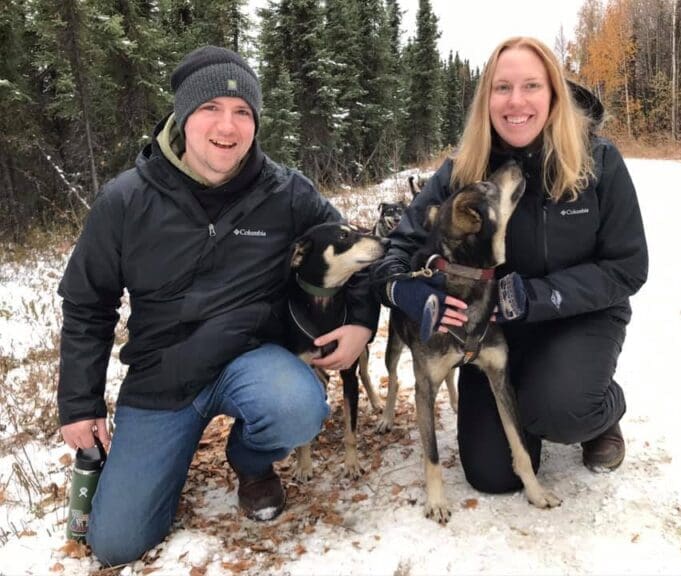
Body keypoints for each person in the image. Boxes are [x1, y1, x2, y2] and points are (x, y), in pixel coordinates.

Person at [56, 46, 377, 566]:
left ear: (255, 123)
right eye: (211, 108)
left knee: (298, 406)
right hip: (163, 378)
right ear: (183, 116)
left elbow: (353, 246)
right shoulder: (126, 200)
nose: (227, 126)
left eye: (242, 112)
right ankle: (161, 461)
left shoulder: (286, 192)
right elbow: (87, 303)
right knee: (116, 543)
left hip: (252, 360)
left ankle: (250, 460)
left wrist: (361, 320)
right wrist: (80, 403)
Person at [371, 37, 648, 494]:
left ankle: (599, 411)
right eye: (502, 88)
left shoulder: (598, 162)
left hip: (578, 317)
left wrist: (535, 296)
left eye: (531, 86)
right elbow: (398, 247)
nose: (516, 101)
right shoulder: (465, 172)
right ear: (487, 100)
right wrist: (404, 290)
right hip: (492, 327)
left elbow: (628, 267)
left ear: (554, 94)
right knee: (491, 475)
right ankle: (539, 398)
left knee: (561, 409)